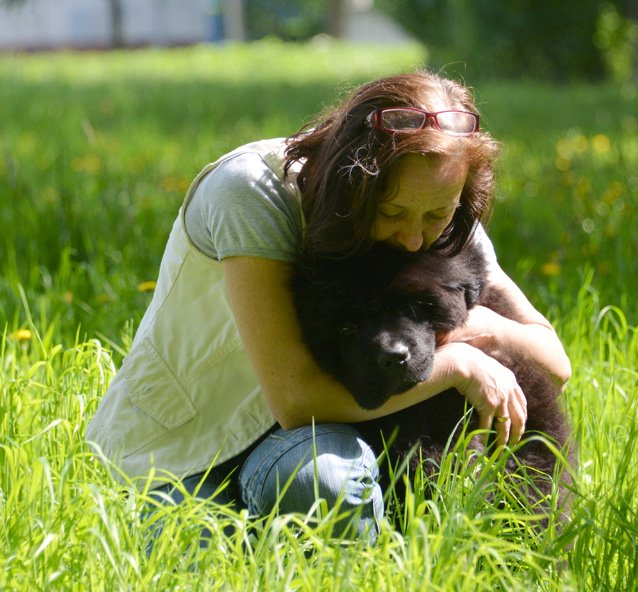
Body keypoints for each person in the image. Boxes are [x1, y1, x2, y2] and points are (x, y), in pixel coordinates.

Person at [86, 71, 571, 545]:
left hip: (308, 443)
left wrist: (484, 327)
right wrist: (458, 363)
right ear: (354, 183)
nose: (415, 237)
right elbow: (297, 400)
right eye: (392, 213)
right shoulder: (251, 192)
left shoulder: (436, 204)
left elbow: (553, 359)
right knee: (190, 558)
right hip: (189, 445)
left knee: (328, 482)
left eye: (436, 216)